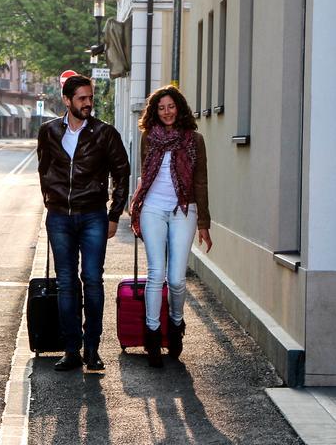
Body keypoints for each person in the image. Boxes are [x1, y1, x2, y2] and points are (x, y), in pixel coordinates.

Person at [37, 73, 130, 371]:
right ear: (67, 101)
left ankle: (92, 349)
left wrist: (114, 214)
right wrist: (51, 200)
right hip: (60, 218)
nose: (88, 103)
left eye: (90, 98)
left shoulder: (105, 133)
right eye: (82, 99)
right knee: (66, 283)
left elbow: (122, 173)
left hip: (93, 216)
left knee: (92, 280)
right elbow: (44, 169)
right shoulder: (49, 132)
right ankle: (71, 349)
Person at [129, 85, 212, 368]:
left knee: (176, 279)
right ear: (155, 111)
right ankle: (152, 336)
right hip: (153, 207)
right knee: (156, 274)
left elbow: (200, 181)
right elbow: (144, 173)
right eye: (161, 107)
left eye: (171, 106)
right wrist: (137, 205)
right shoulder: (148, 138)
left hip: (183, 209)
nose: (166, 112)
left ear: (180, 108)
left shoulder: (194, 140)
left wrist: (204, 223)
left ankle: (176, 324)